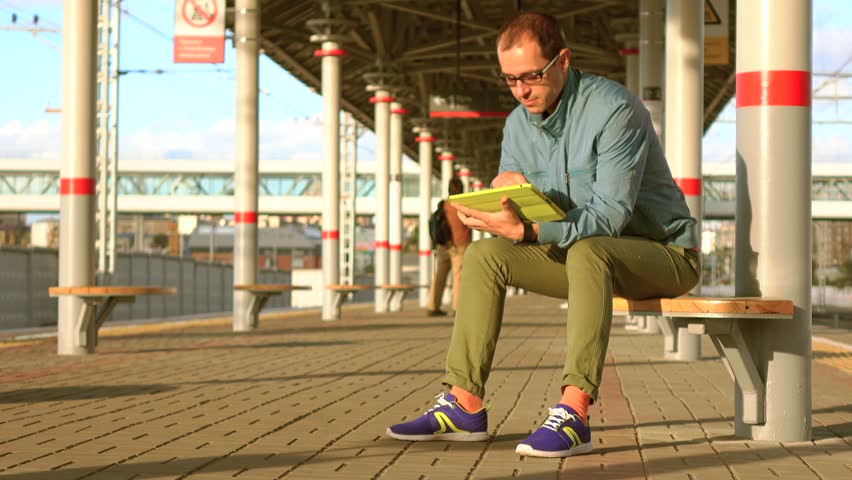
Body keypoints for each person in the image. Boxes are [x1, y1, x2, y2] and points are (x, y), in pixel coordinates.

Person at [386, 11, 700, 458]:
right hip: (579, 256)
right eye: (510, 79)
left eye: (531, 75)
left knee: (592, 250)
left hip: (663, 256)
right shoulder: (516, 124)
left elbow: (610, 216)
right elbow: (526, 215)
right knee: (484, 256)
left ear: (564, 61)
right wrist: (504, 206)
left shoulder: (613, 109)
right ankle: (463, 404)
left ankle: (574, 413)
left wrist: (531, 229)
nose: (521, 91)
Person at [426, 177, 471, 316]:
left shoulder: (444, 205)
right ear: (462, 189)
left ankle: (433, 306)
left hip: (444, 246)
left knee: (440, 276)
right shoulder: (463, 205)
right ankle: (457, 307)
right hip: (460, 246)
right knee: (458, 277)